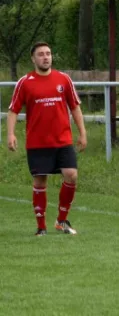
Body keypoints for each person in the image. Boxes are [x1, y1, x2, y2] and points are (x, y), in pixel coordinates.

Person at [7, 42, 87, 236]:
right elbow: (13, 110)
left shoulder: (63, 79)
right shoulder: (25, 82)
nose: (46, 57)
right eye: (41, 54)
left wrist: (82, 133)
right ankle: (41, 227)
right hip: (38, 142)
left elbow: (75, 106)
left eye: (48, 54)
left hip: (63, 140)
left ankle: (62, 221)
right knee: (40, 182)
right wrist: (10, 134)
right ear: (33, 58)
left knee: (71, 174)